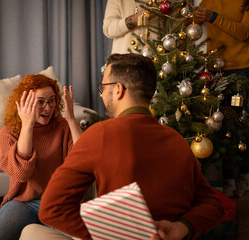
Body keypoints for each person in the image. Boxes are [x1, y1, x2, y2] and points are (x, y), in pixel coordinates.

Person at [19, 54, 224, 240]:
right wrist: (181, 227)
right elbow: (213, 204)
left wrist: (113, 235)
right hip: (171, 235)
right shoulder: (177, 139)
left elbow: (52, 209)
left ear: (118, 90)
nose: (102, 94)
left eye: (104, 88)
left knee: (30, 232)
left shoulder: (100, 134)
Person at [0, 74, 83, 240]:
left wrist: (70, 119)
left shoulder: (62, 126)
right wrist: (27, 125)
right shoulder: (9, 132)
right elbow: (21, 174)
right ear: (25, 103)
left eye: (51, 100)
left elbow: (82, 159)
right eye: (40, 102)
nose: (48, 108)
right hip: (23, 203)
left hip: (58, 202)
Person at [194, 0, 249, 197]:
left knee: (242, 129)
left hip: (245, 71)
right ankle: (228, 181)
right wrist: (195, 18)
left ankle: (242, 176)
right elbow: (193, 22)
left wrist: (213, 17)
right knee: (219, 126)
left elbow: (243, 32)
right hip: (216, 70)